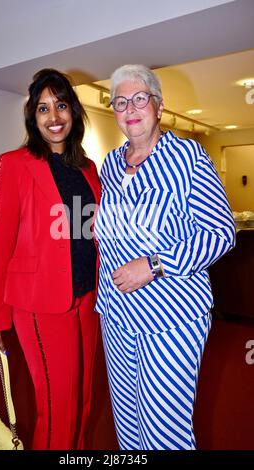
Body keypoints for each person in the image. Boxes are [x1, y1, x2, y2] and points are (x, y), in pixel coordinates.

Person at [94, 64, 236, 450]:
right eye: (120, 102)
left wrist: (155, 264)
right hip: (117, 318)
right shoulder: (110, 164)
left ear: (157, 104)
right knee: (127, 425)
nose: (130, 108)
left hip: (170, 318)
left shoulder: (188, 157)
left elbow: (220, 233)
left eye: (140, 97)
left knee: (163, 432)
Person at [0, 68, 101, 450]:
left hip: (86, 299)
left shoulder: (87, 168)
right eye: (43, 109)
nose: (54, 117)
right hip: (40, 304)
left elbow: (91, 232)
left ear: (74, 112)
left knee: (82, 399)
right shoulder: (14, 164)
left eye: (61, 106)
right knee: (56, 406)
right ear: (33, 118)